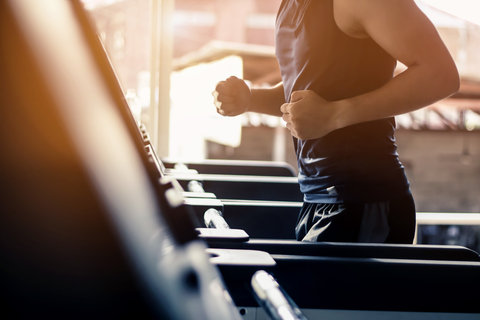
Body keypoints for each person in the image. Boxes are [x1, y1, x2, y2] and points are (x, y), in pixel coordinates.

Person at [213, 0, 459, 243]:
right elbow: (308, 91)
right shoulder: (291, 5)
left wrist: (334, 115)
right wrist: (249, 99)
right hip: (315, 199)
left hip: (364, 199)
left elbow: (440, 74)